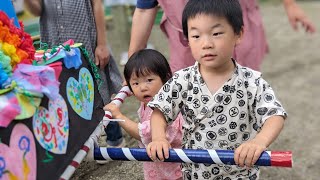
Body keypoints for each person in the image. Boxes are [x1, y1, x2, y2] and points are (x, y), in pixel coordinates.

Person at [147, 0, 287, 179]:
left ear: (239, 34)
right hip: (195, 172)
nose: (206, 44)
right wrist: (159, 137)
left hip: (240, 173)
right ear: (187, 39)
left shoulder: (252, 81)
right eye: (196, 36)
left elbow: (275, 115)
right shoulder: (182, 80)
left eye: (216, 33)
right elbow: (160, 111)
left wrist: (259, 142)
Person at [24, 0, 124, 151]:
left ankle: (114, 137)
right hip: (56, 45)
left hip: (85, 39)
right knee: (66, 91)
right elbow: (37, 10)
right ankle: (85, 143)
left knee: (99, 86)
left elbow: (97, 4)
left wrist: (102, 43)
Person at [128, 0, 316, 71]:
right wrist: (132, 65)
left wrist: (289, 4)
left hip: (237, 29)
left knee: (242, 86)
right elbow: (145, 9)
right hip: (186, 44)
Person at [104, 49, 183, 180]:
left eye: (149, 80)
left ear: (166, 78)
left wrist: (119, 116)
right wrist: (130, 88)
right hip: (158, 161)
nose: (142, 88)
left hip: (174, 165)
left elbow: (142, 133)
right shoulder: (148, 99)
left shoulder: (165, 105)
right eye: (136, 83)